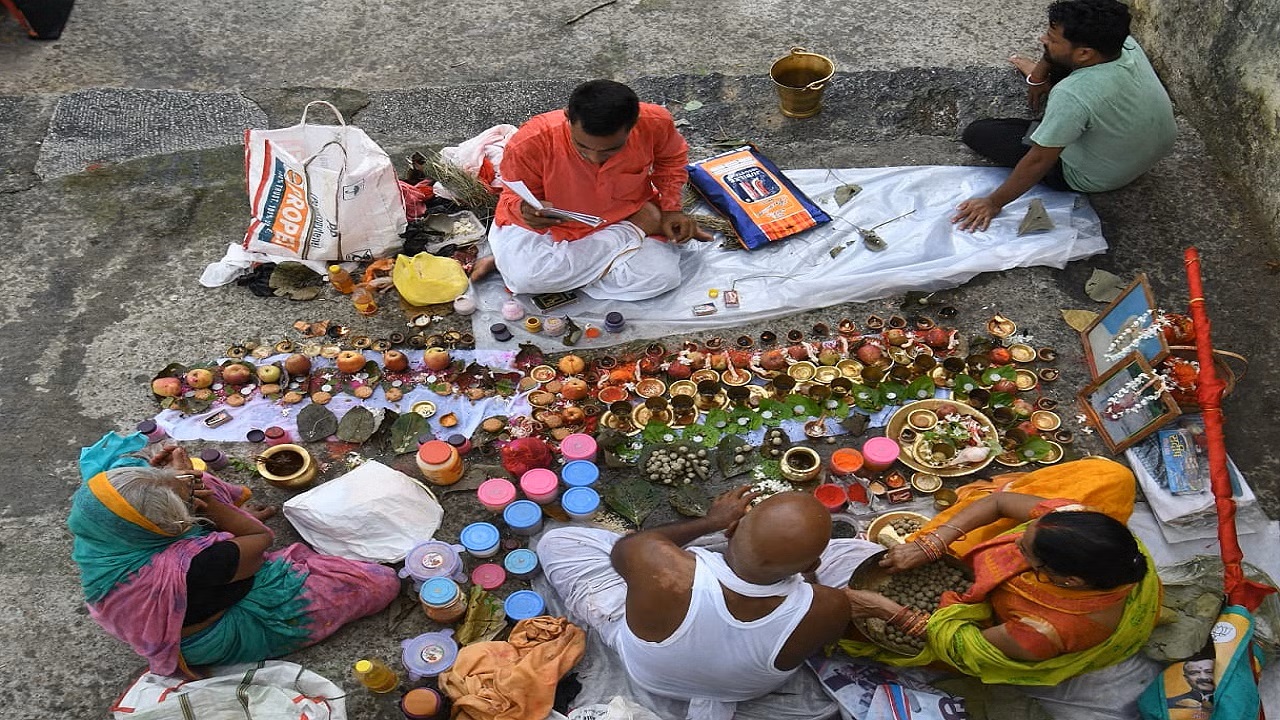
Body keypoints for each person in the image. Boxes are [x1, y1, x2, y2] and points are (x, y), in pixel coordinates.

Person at [68, 432, 400, 677]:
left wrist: (184, 481)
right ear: (173, 527)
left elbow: (128, 482)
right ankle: (226, 527)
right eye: (186, 509)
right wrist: (205, 497)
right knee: (379, 582)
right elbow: (262, 539)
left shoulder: (101, 523)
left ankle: (208, 510)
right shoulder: (199, 564)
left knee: (188, 483)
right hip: (213, 628)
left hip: (190, 582)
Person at [538, 488, 876, 720]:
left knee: (558, 540)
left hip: (650, 675)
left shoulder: (662, 566)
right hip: (743, 689)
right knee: (861, 554)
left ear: (730, 531)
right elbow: (812, 612)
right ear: (809, 567)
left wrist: (710, 522)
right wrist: (808, 580)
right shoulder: (830, 606)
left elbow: (630, 548)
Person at [840, 458, 1163, 685]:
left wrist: (891, 612)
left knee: (850, 629)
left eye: (1023, 549)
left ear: (1067, 581)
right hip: (1058, 565)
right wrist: (935, 543)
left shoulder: (1046, 630)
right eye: (1025, 531)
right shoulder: (1070, 520)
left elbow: (965, 646)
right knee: (1112, 475)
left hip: (1000, 630)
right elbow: (1000, 504)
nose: (1015, 539)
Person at [952, 0, 1176, 231]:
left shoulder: (1071, 94)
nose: (1042, 39)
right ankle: (1060, 91)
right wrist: (1038, 75)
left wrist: (992, 202)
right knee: (1060, 64)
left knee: (979, 133)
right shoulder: (1124, 43)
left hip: (1097, 177)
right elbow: (1064, 59)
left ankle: (1059, 127)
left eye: (1052, 39)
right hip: (1145, 152)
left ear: (1084, 53)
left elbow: (1039, 160)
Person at [488, 79, 711, 301]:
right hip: (556, 228)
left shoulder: (655, 122)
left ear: (634, 124)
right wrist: (525, 210)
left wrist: (672, 209)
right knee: (525, 278)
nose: (594, 158)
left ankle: (552, 270)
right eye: (582, 146)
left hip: (623, 215)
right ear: (568, 117)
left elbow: (671, 161)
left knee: (663, 278)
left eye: (611, 150)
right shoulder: (531, 141)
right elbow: (513, 195)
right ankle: (632, 233)